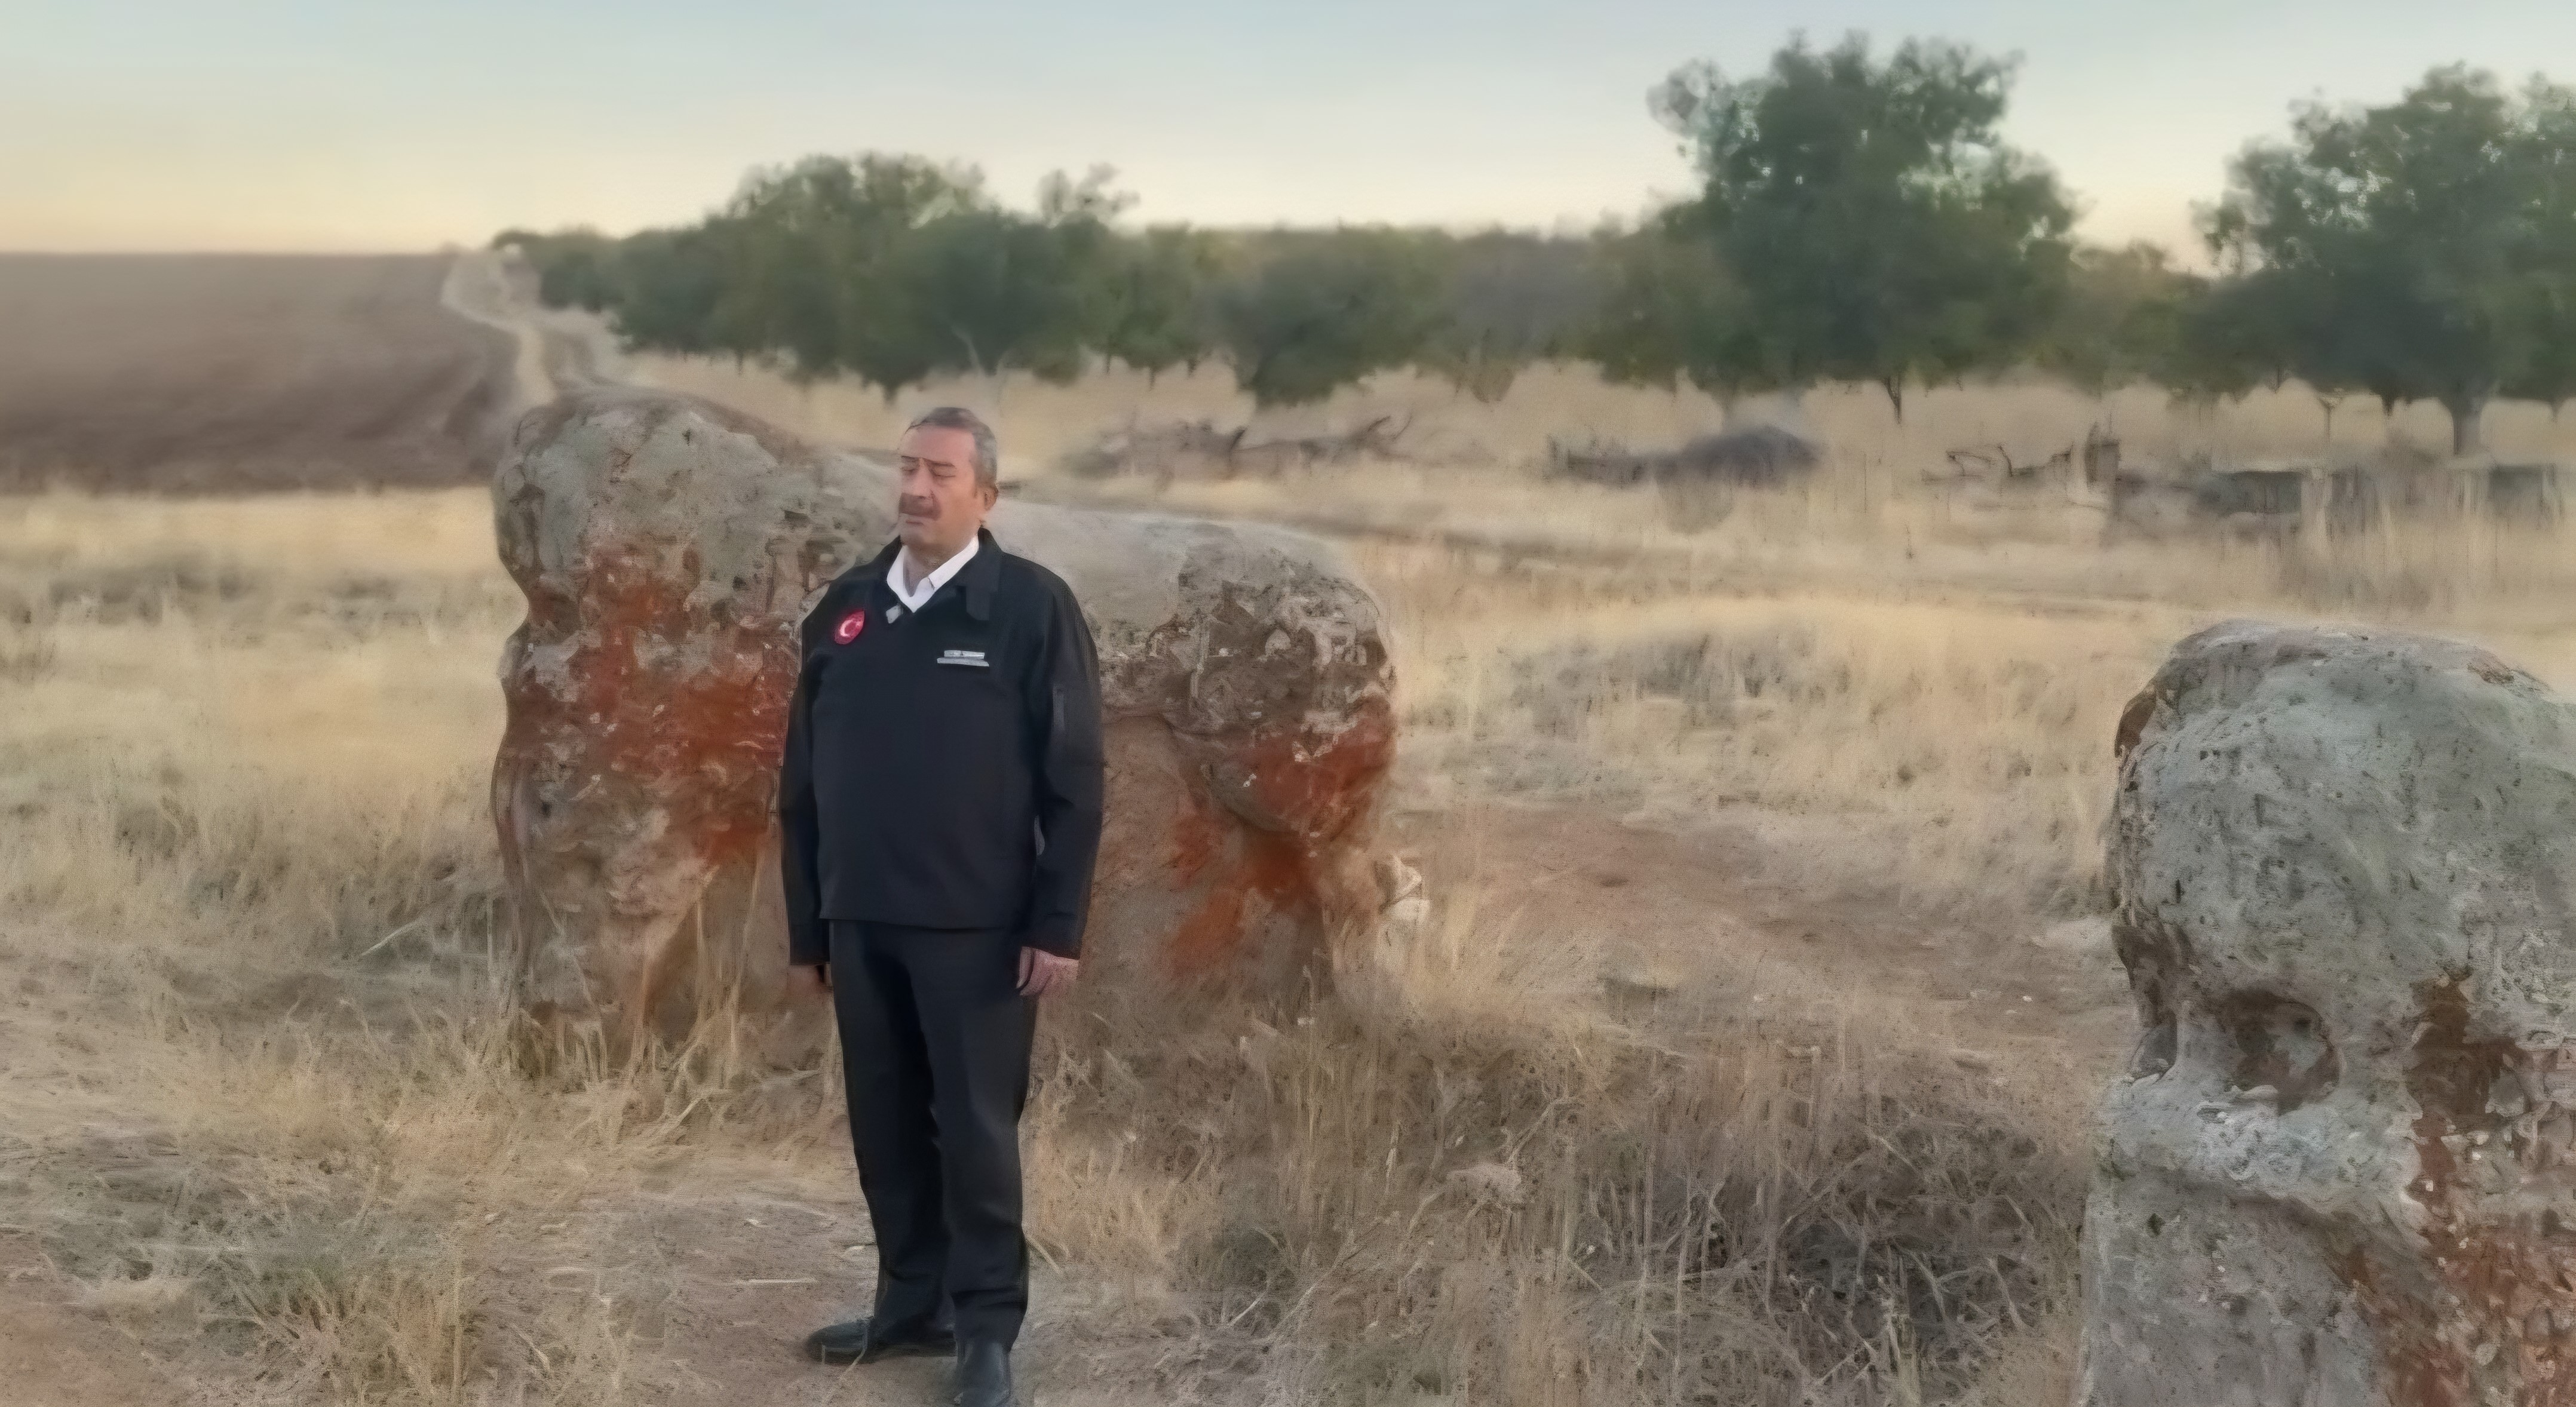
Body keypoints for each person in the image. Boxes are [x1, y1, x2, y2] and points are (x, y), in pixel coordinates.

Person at [777, 406, 1104, 1407]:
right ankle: (909, 1304)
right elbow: (800, 785)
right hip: (861, 921)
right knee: (883, 1125)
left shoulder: (1031, 610)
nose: (917, 488)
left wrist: (1057, 924)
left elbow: (1077, 781)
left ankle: (987, 1332)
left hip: (980, 931)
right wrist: (810, 926)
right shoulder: (846, 608)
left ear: (986, 496)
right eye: (908, 467)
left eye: (942, 474)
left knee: (974, 1133)